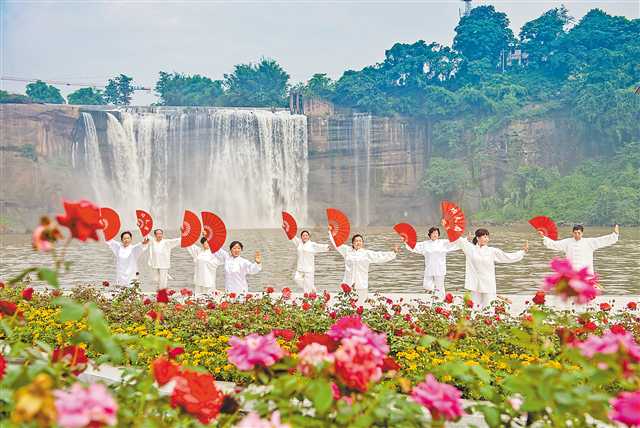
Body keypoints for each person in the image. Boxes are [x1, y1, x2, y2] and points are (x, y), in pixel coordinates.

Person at [457, 228, 528, 310]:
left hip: (488, 282)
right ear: (477, 238)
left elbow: (507, 256)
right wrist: (464, 238)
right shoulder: (470, 249)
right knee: (475, 306)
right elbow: (458, 240)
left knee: (489, 306)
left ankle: (489, 320)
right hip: (475, 282)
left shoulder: (492, 251)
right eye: (484, 237)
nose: (486, 239)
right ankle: (474, 321)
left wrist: (522, 252)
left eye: (487, 237)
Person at [328, 227, 399, 305]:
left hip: (361, 284)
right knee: (346, 306)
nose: (358, 242)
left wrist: (393, 253)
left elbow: (379, 256)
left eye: (360, 241)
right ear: (352, 243)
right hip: (348, 284)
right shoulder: (346, 250)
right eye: (356, 241)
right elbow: (336, 243)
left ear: (362, 243)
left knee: (360, 306)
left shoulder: (366, 253)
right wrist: (331, 232)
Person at [539, 224, 619, 275]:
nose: (577, 235)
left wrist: (614, 234)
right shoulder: (567, 242)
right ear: (572, 233)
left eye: (579, 233)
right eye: (575, 233)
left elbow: (602, 240)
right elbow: (554, 244)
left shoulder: (589, 242)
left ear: (582, 233)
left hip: (586, 273)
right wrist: (544, 237)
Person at [405, 226, 459, 300]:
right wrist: (406, 241)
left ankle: (440, 301)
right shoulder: (425, 244)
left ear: (438, 234)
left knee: (440, 287)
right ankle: (435, 293)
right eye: (433, 233)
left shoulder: (443, 242)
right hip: (429, 268)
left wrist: (465, 240)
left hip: (440, 268)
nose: (435, 234)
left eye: (436, 233)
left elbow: (454, 242)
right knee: (426, 285)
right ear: (430, 234)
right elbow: (414, 246)